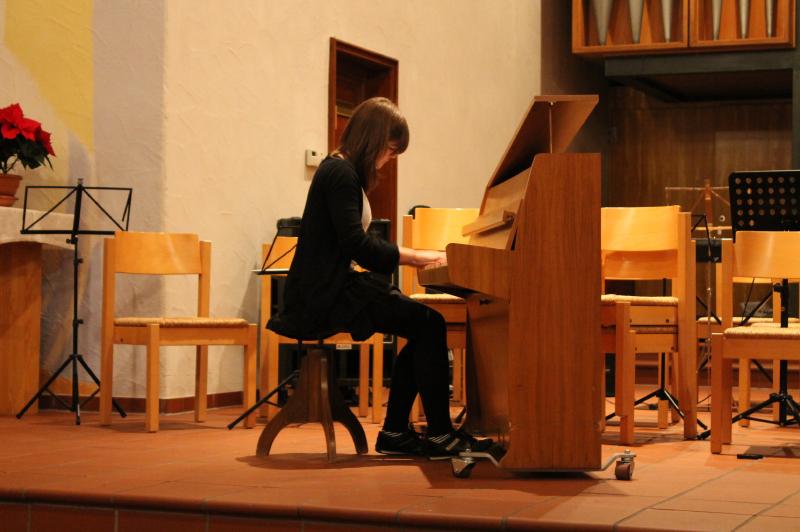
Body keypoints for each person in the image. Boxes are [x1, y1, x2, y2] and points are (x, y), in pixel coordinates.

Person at [268, 96, 491, 457]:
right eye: (390, 150)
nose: (388, 160)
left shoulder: (339, 170)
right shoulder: (340, 174)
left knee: (424, 326)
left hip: (328, 288)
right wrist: (416, 256)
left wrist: (411, 257)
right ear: (373, 140)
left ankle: (397, 432)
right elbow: (357, 245)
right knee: (429, 325)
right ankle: (435, 434)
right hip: (323, 296)